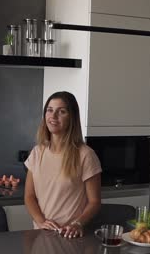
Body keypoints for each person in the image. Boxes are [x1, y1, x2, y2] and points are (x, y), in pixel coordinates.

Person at [24, 91, 101, 239]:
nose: (53, 116)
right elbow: (29, 196)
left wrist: (77, 223)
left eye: (62, 111)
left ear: (72, 117)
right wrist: (41, 222)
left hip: (70, 236)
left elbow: (94, 202)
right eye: (50, 110)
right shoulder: (37, 152)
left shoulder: (85, 155)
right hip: (41, 234)